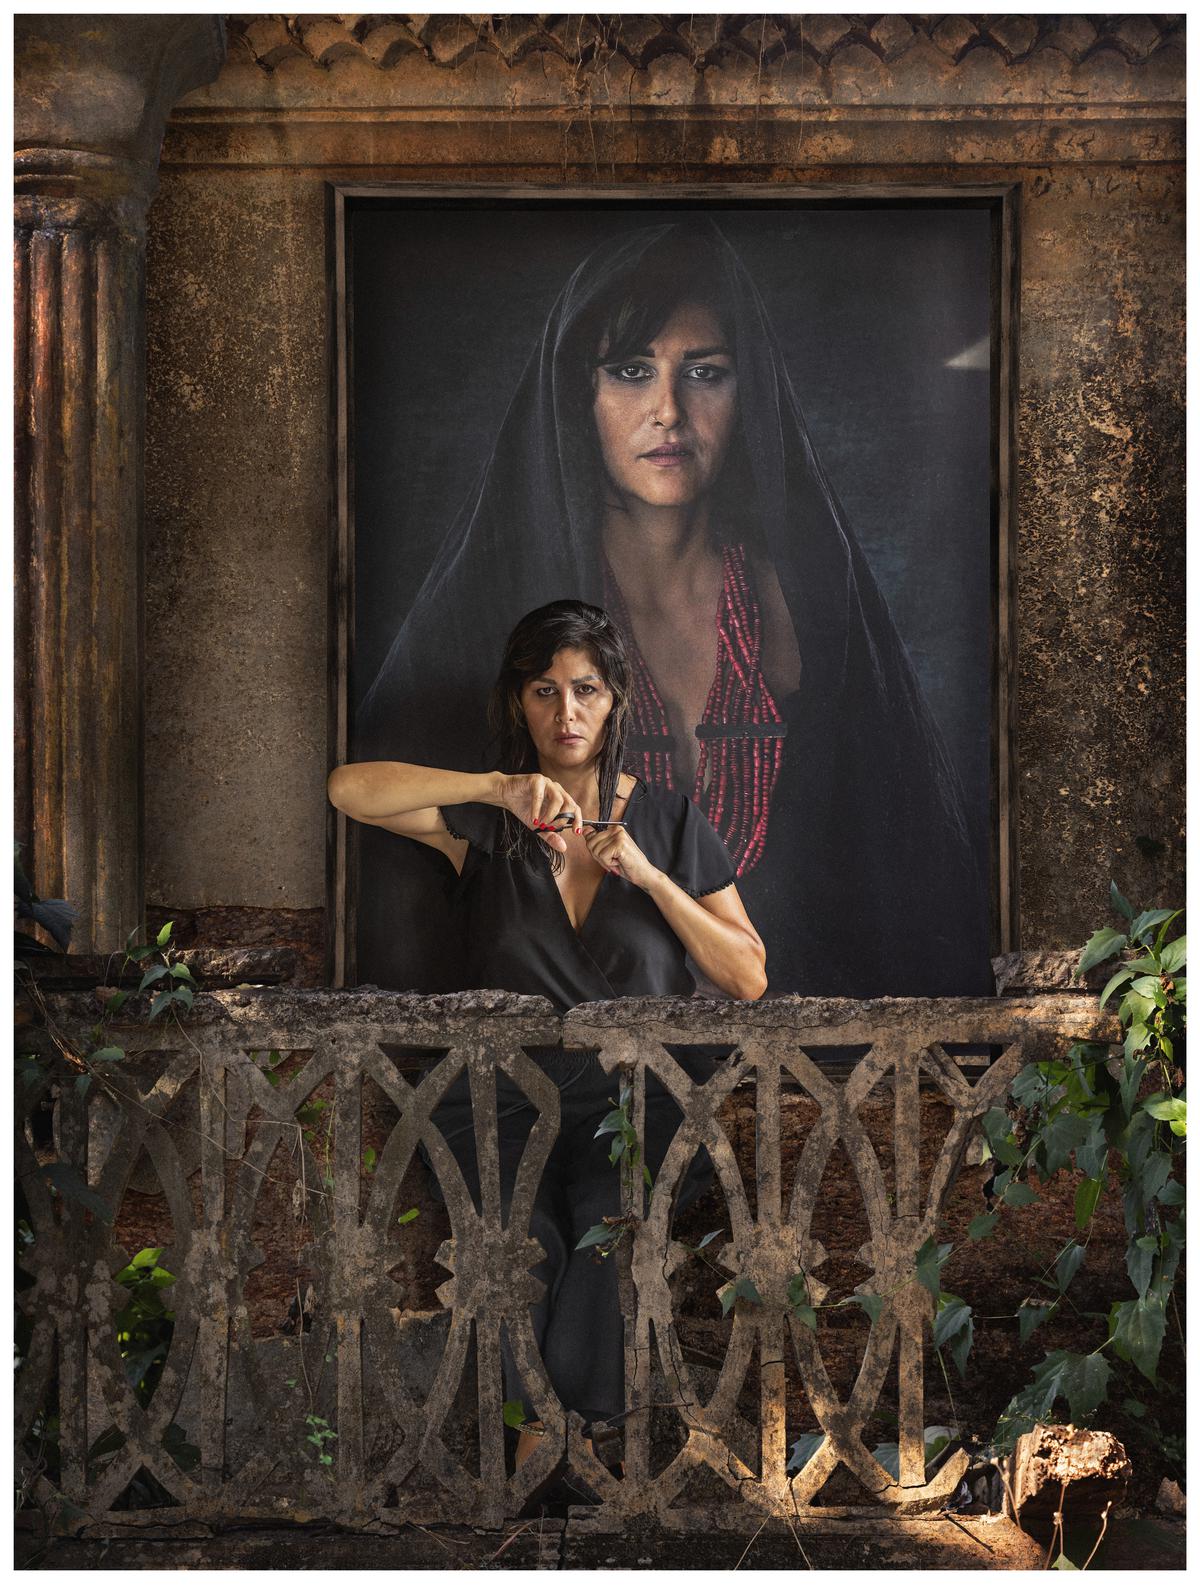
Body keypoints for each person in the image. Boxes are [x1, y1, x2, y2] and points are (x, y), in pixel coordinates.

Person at [356, 218, 991, 1000]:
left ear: (745, 392)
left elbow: (894, 871)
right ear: (578, 397)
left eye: (704, 372)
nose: (667, 411)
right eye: (628, 370)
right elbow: (376, 831)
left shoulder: (810, 604)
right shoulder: (498, 605)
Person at [329, 599, 766, 1475]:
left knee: (612, 1233)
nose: (566, 713)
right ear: (518, 702)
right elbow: (349, 789)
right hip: (499, 1099)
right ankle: (563, 1444)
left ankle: (546, 1445)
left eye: (586, 691)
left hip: (635, 1101)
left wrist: (648, 878)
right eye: (544, 690)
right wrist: (492, 787)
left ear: (615, 703)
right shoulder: (489, 823)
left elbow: (748, 975)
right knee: (516, 1244)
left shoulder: (672, 823)